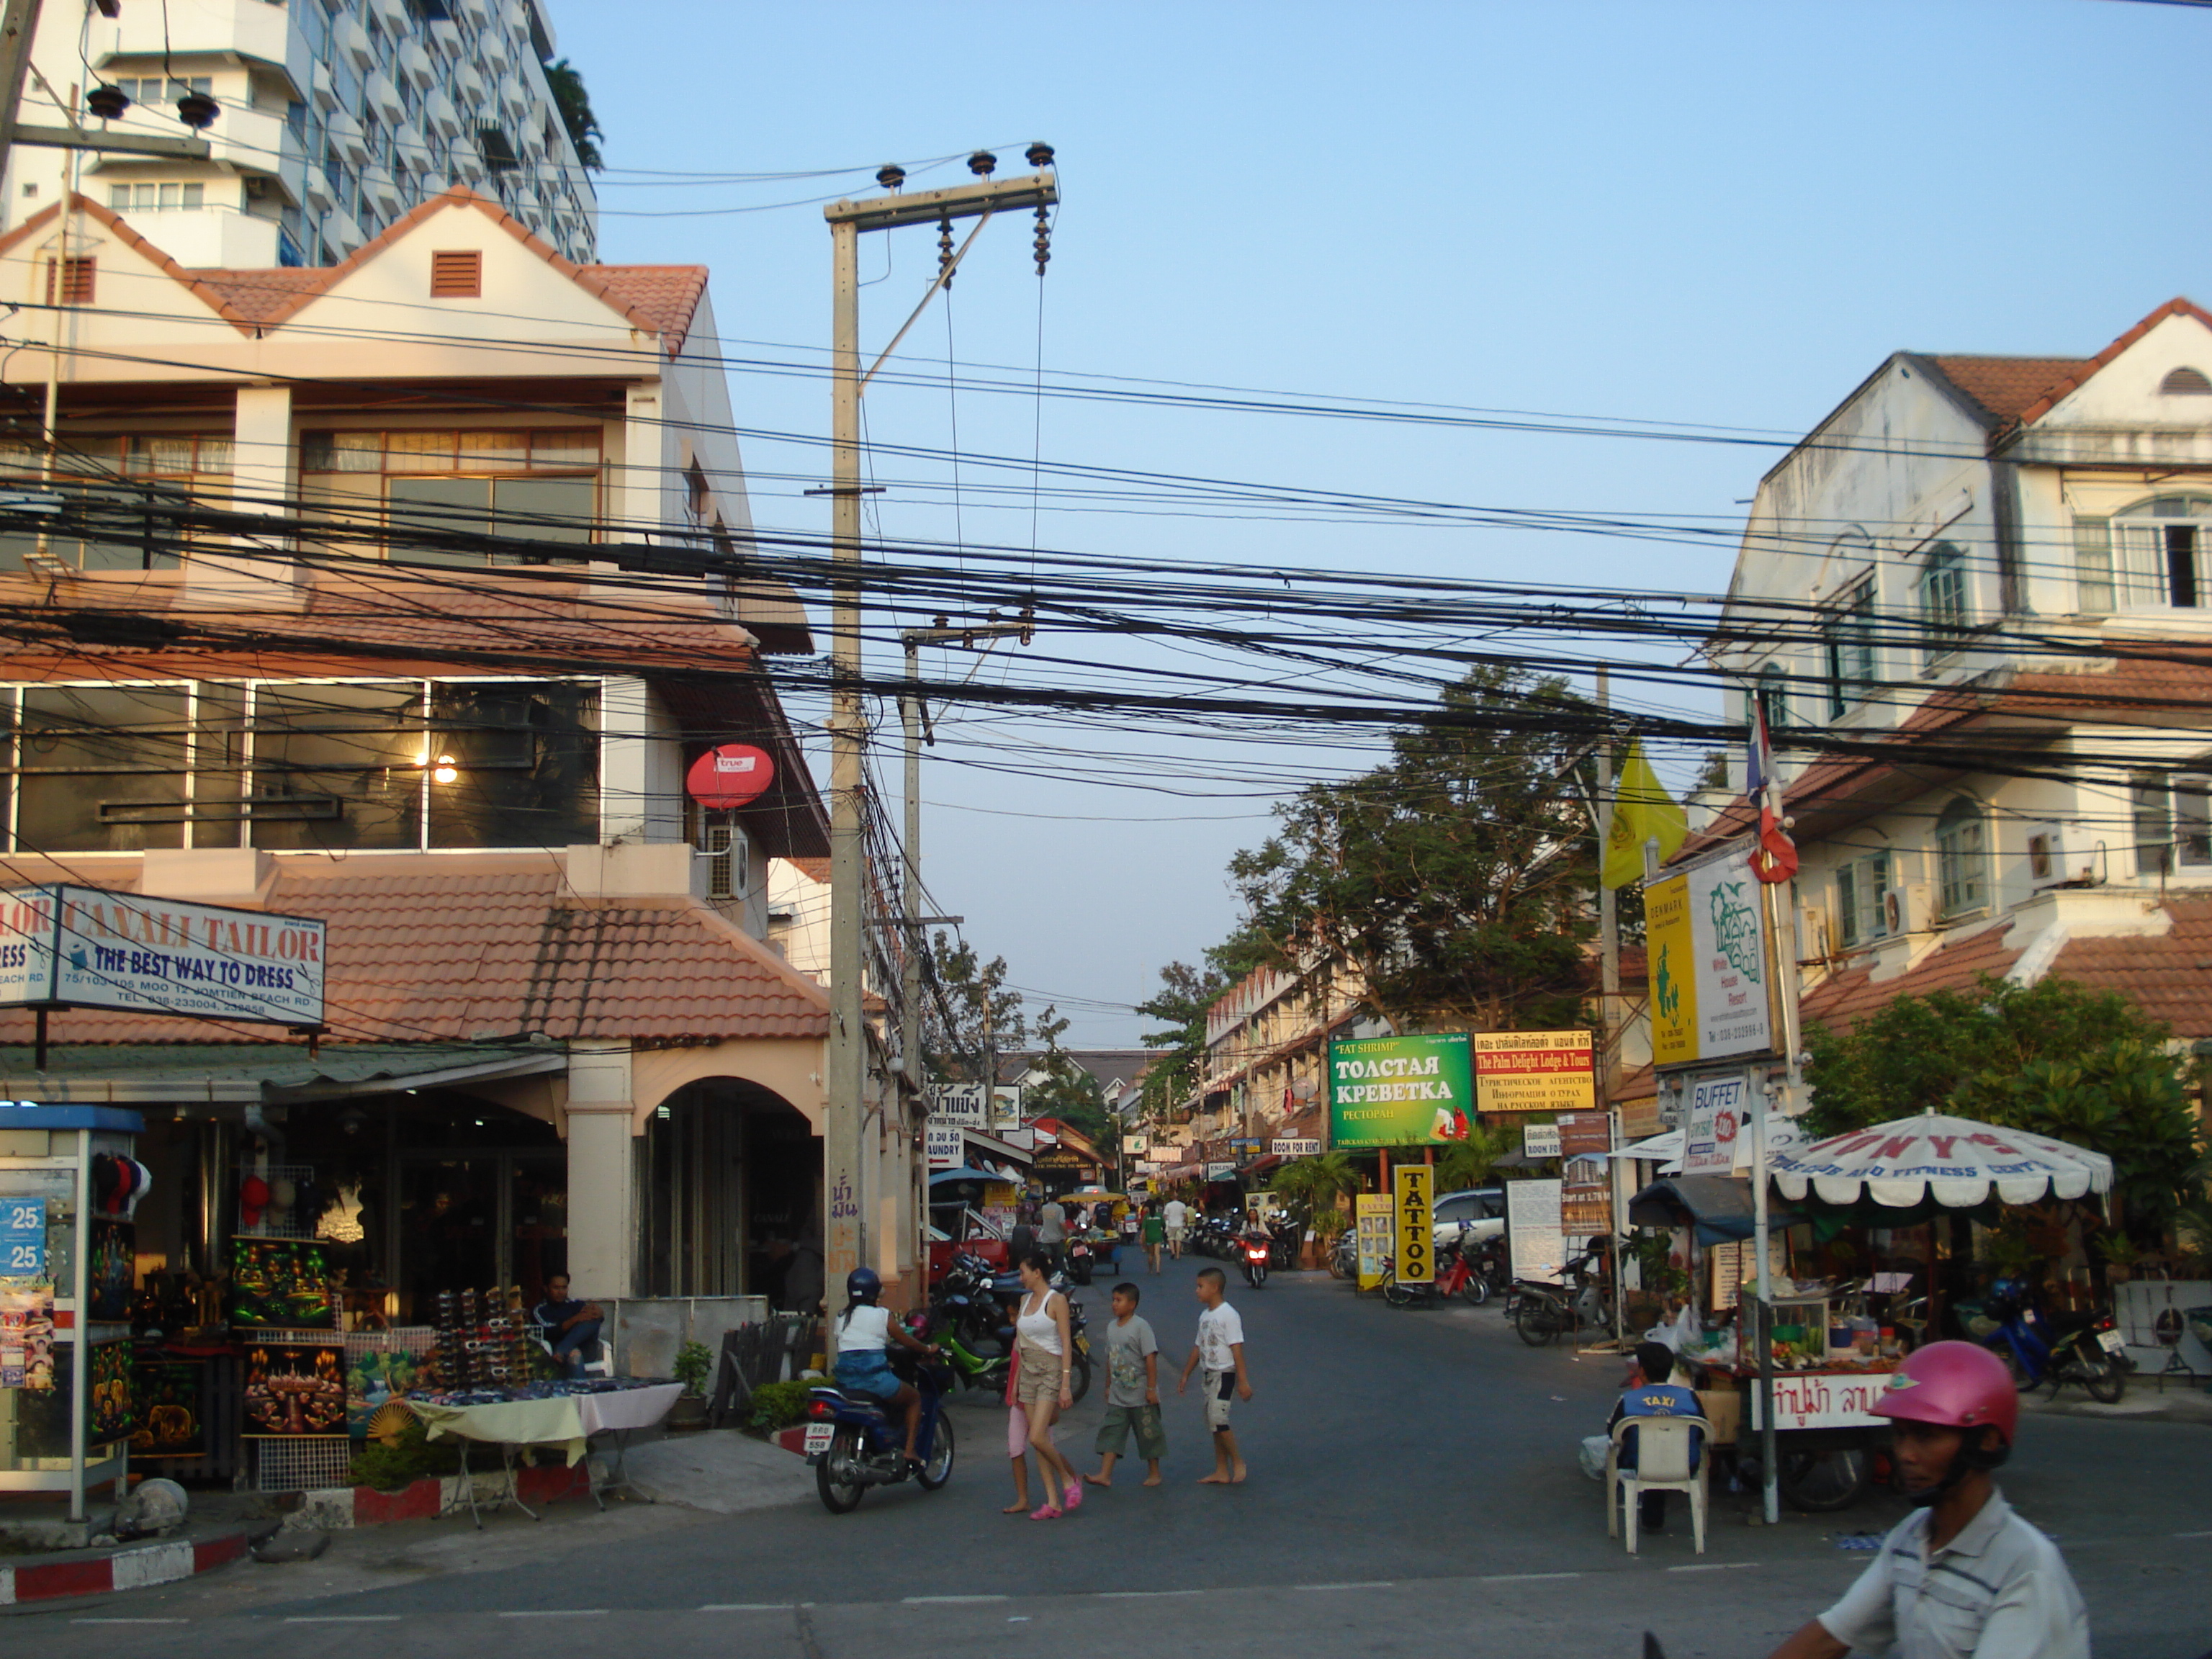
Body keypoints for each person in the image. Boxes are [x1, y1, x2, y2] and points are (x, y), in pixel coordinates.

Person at [1763, 1341, 2088, 1659]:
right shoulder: (1912, 1538)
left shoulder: (2025, 1568)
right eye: (1900, 1434)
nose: (1905, 1455)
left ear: (1986, 1441)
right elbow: (1830, 1638)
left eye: (1926, 1436)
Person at [828, 1267, 940, 1468]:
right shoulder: (881, 1315)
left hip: (845, 1382)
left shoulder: (841, 1317)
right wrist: (928, 1349)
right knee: (914, 1398)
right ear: (875, 1292)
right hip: (875, 1382)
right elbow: (906, 1340)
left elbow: (848, 1348)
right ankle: (910, 1451)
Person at [1009, 1251, 1084, 1519]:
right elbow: (1020, 1343)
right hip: (1027, 1370)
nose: (1021, 1278)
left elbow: (1066, 1342)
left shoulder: (1057, 1300)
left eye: (1023, 1272)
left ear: (1037, 1272)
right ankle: (1052, 1501)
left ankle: (1067, 1480)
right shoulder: (1024, 1300)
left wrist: (1066, 1383)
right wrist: (1016, 1382)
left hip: (1050, 1369)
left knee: (1037, 1436)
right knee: (1038, 1442)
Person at [1606, 1341, 1701, 1534]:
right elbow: (1701, 1432)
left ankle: (1636, 1516)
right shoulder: (1690, 1397)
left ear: (1641, 1370)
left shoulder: (1629, 1400)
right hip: (1684, 1465)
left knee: (1634, 1449)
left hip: (1641, 1466)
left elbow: (1614, 1432)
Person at [1177, 1264, 1252, 1484]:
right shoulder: (1204, 1316)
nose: (1197, 1291)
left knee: (1219, 1419)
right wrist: (1185, 1374)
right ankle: (1221, 1469)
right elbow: (1198, 1346)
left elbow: (1237, 1348)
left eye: (1201, 1286)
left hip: (1225, 1373)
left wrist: (1243, 1381)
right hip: (1208, 1374)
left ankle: (1237, 1462)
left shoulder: (1229, 1315)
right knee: (1213, 1422)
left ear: (1215, 1287)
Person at [1085, 1281, 1164, 1489]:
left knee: (1148, 1432)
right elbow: (1111, 1358)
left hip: (1140, 1393)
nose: (1114, 1304)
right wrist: (1108, 1384)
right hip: (1118, 1393)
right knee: (1112, 1430)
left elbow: (1150, 1358)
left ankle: (1154, 1472)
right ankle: (1105, 1474)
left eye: (1119, 1300)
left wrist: (1151, 1388)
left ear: (1132, 1304)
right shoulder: (1111, 1327)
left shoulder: (1141, 1327)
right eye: (1113, 1300)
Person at [531, 1274, 604, 1377]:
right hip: (555, 1352)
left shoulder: (576, 1304)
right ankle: (579, 1390)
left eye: (564, 1288)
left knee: (593, 1319)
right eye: (556, 1288)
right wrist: (575, 1319)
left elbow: (596, 1319)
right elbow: (551, 1332)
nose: (561, 1292)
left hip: (585, 1349)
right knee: (574, 1355)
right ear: (546, 1289)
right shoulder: (541, 1310)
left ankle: (563, 1349)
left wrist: (599, 1313)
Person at [1038, 1197, 1067, 1273]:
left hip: (1046, 1239)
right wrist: (1066, 1235)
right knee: (1059, 1262)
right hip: (1058, 1239)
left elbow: (1040, 1220)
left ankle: (1048, 1277)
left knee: (1047, 1261)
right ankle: (1060, 1278)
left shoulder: (1044, 1208)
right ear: (1057, 1199)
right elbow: (1062, 1223)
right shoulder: (1060, 1208)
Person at [1141, 1203, 1167, 1275]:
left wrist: (1141, 1238)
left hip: (1149, 1237)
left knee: (1151, 1254)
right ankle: (1158, 1269)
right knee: (1157, 1253)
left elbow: (1143, 1229)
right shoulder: (1159, 1216)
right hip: (1158, 1236)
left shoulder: (1147, 1217)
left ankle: (1150, 1269)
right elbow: (1164, 1225)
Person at [1163, 1195, 1190, 1259]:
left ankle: (1173, 1252)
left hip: (1171, 1224)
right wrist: (1186, 1223)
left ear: (1172, 1198)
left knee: (1171, 1239)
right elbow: (1185, 1216)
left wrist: (1165, 1223)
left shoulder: (1168, 1205)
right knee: (1178, 1240)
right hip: (1180, 1224)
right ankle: (1178, 1255)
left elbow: (1165, 1216)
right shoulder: (1182, 1205)